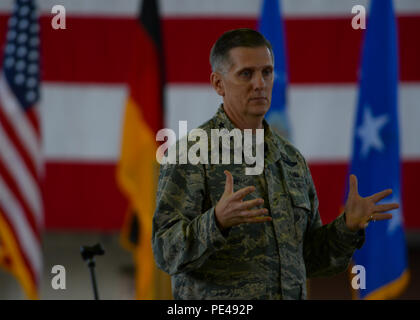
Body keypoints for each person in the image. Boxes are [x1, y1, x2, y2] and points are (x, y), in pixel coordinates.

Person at [152, 28, 398, 299]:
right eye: (246, 74)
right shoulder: (190, 154)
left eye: (267, 72)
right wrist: (217, 222)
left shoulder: (291, 159)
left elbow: (309, 259)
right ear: (218, 84)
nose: (260, 83)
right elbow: (165, 253)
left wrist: (346, 228)